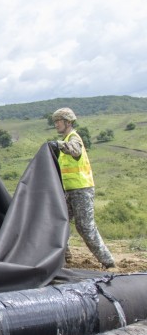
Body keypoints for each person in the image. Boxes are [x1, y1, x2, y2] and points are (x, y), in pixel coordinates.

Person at [49, 107, 115, 269]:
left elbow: (76, 150)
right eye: (55, 122)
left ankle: (108, 261)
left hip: (81, 189)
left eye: (58, 121)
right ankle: (65, 257)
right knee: (58, 222)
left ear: (68, 122)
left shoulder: (74, 138)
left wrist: (59, 145)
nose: (56, 124)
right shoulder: (67, 139)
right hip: (68, 191)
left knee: (85, 227)